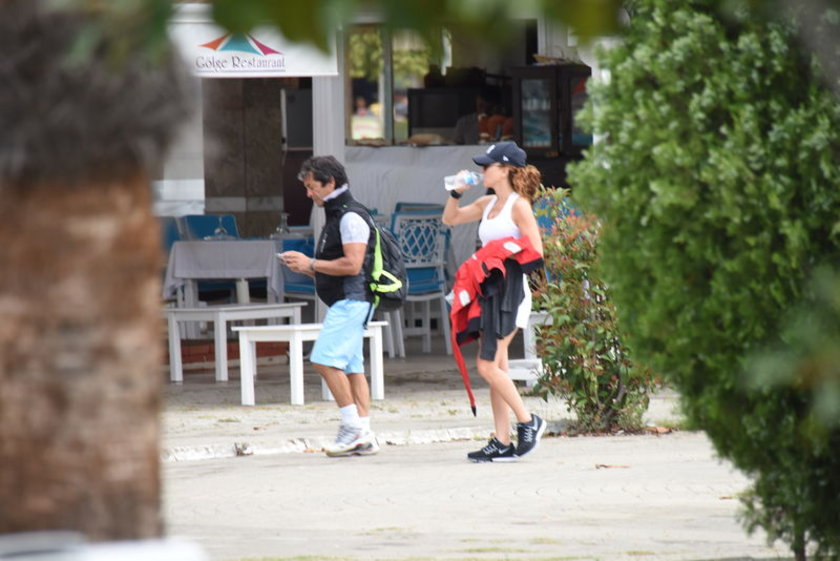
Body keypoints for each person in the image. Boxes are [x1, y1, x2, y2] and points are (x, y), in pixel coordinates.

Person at [442, 141, 546, 462]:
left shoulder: (519, 206)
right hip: (489, 292)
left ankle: (528, 422)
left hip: (511, 294)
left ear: (505, 170)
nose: (482, 170)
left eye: (488, 165)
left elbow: (536, 250)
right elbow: (450, 219)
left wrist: (496, 254)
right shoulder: (487, 203)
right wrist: (456, 192)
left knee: (487, 365)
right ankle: (501, 440)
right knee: (497, 369)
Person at [279, 155, 379, 457]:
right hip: (351, 299)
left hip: (351, 300)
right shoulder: (340, 214)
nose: (308, 193)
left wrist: (311, 263)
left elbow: (353, 265)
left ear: (331, 183)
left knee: (323, 360)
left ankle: (352, 428)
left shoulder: (349, 217)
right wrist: (307, 267)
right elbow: (342, 266)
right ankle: (364, 432)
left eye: (312, 187)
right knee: (352, 367)